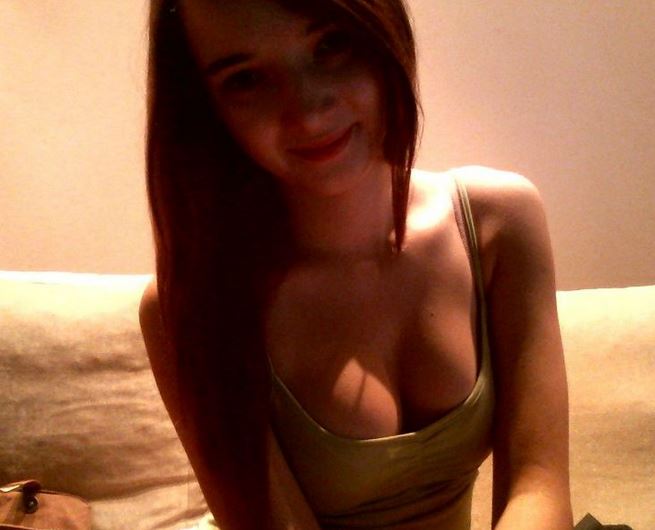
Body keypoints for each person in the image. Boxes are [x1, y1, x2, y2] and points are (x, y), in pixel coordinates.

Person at [139, 0, 573, 528]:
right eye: (246, 79)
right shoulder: (195, 301)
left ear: (382, 32)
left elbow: (539, 483)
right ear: (206, 108)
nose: (308, 112)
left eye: (331, 45)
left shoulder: (497, 223)